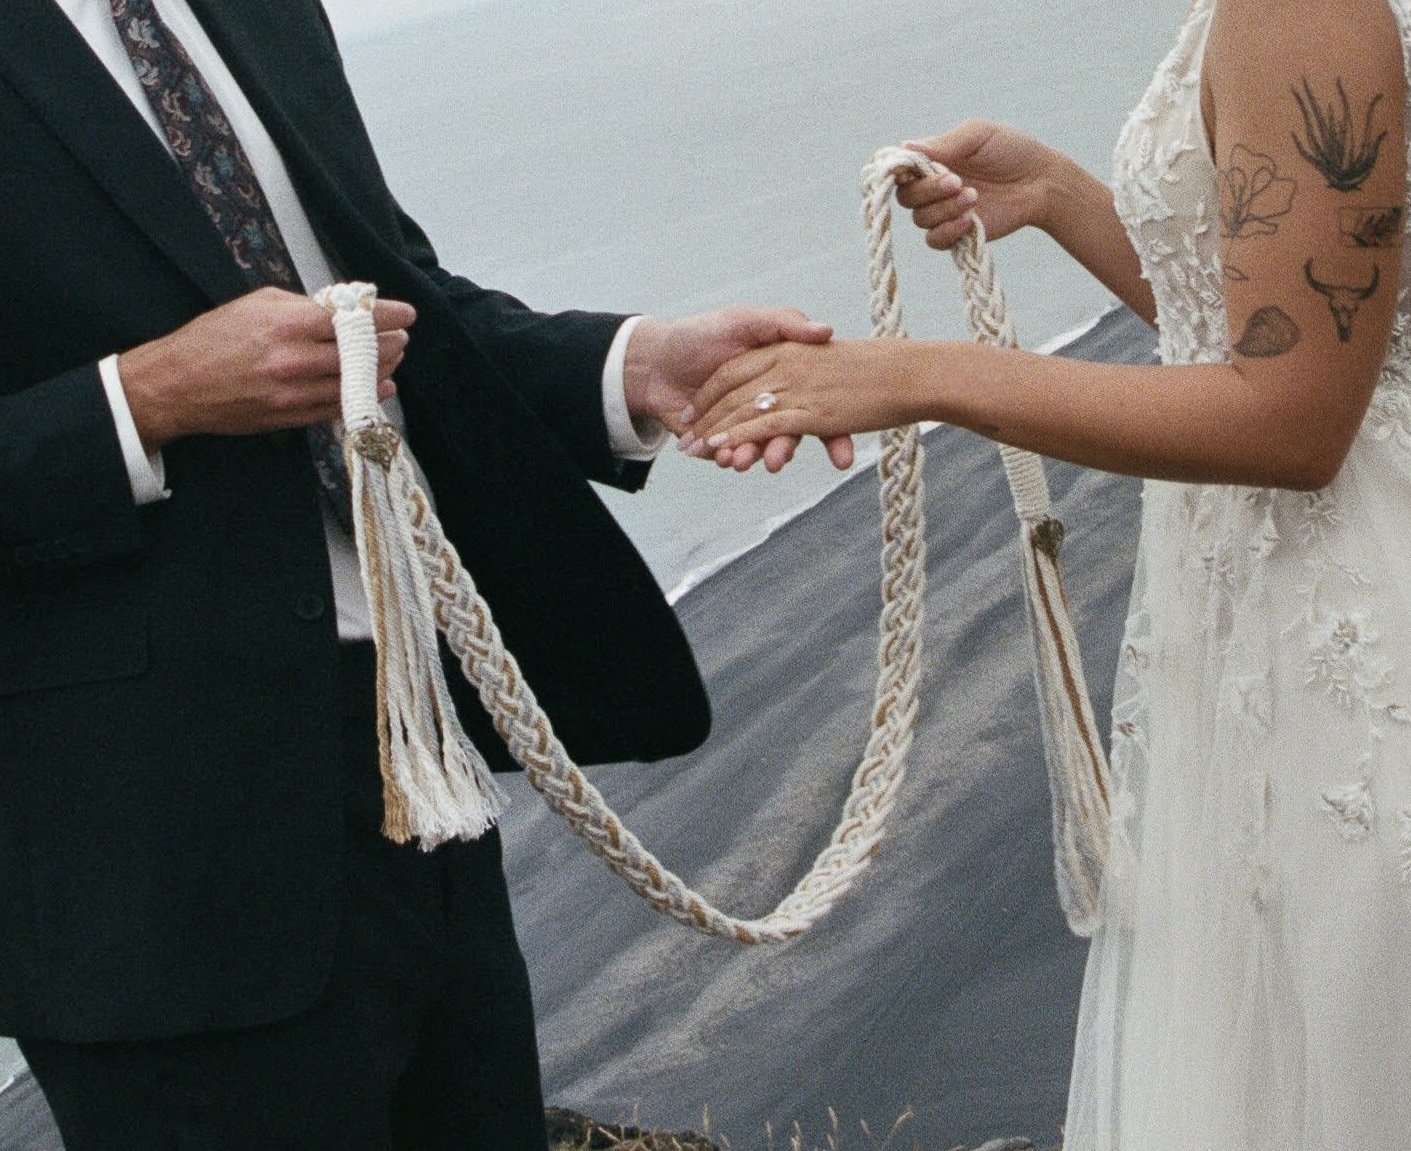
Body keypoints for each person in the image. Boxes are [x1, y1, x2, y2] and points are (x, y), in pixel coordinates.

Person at [0, 0, 852, 1147]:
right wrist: (144, 397)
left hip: (421, 776)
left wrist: (631, 364)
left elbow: (400, 304)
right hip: (151, 865)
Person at [685, 0, 1411, 1144]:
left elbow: (1292, 418)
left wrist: (925, 377)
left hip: (1345, 631)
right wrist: (1053, 196)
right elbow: (1289, 318)